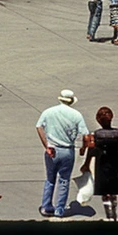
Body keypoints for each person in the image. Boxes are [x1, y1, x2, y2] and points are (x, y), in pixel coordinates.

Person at [36, 89, 90, 218]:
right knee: (64, 180)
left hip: (52, 149)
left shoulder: (48, 112)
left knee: (50, 179)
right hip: (67, 151)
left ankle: (46, 206)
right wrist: (83, 148)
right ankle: (59, 210)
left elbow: (39, 126)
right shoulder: (76, 115)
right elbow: (86, 135)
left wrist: (46, 146)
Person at [79, 106, 118, 221]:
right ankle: (113, 212)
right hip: (116, 164)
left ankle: (109, 214)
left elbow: (91, 152)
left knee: (106, 192)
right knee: (114, 190)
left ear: (98, 120)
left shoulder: (95, 135)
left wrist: (86, 164)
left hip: (102, 165)